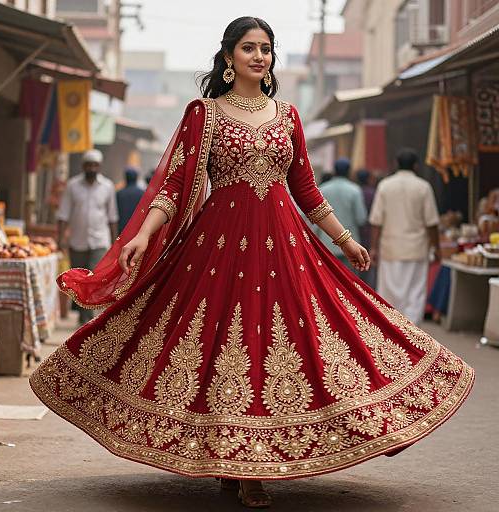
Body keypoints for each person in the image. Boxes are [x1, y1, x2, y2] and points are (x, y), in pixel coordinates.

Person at [32, 18, 473, 510]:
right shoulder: (205, 113)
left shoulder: (287, 115)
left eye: (266, 48)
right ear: (228, 57)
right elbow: (175, 188)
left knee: (285, 339)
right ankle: (234, 460)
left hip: (284, 246)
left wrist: (345, 240)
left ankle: (253, 460)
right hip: (218, 246)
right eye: (249, 48)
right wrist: (141, 234)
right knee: (217, 346)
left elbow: (304, 188)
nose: (259, 56)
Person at [369, 148, 441, 325]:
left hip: (390, 249)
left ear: (396, 164)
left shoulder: (385, 186)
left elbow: (376, 221)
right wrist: (436, 247)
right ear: (416, 166)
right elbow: (431, 223)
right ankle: (413, 336)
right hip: (416, 249)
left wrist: (373, 247)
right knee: (414, 295)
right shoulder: (423, 187)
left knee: (389, 294)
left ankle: (393, 333)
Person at [56, 149, 118, 325]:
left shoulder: (107, 187)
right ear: (83, 166)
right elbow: (63, 215)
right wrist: (60, 238)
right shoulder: (72, 186)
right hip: (78, 241)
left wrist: (114, 243)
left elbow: (113, 217)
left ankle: (89, 318)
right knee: (80, 281)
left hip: (100, 241)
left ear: (99, 167)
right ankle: (84, 317)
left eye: (95, 165)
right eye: (88, 165)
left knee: (93, 279)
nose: (91, 168)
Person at [316, 158, 367, 271]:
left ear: (334, 170)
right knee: (349, 282)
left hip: (326, 242)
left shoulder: (322, 189)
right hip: (351, 245)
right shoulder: (355, 190)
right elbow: (361, 218)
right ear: (349, 171)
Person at [116, 167, 145, 233]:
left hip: (122, 229)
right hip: (137, 229)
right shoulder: (142, 193)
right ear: (136, 178)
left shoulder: (119, 194)